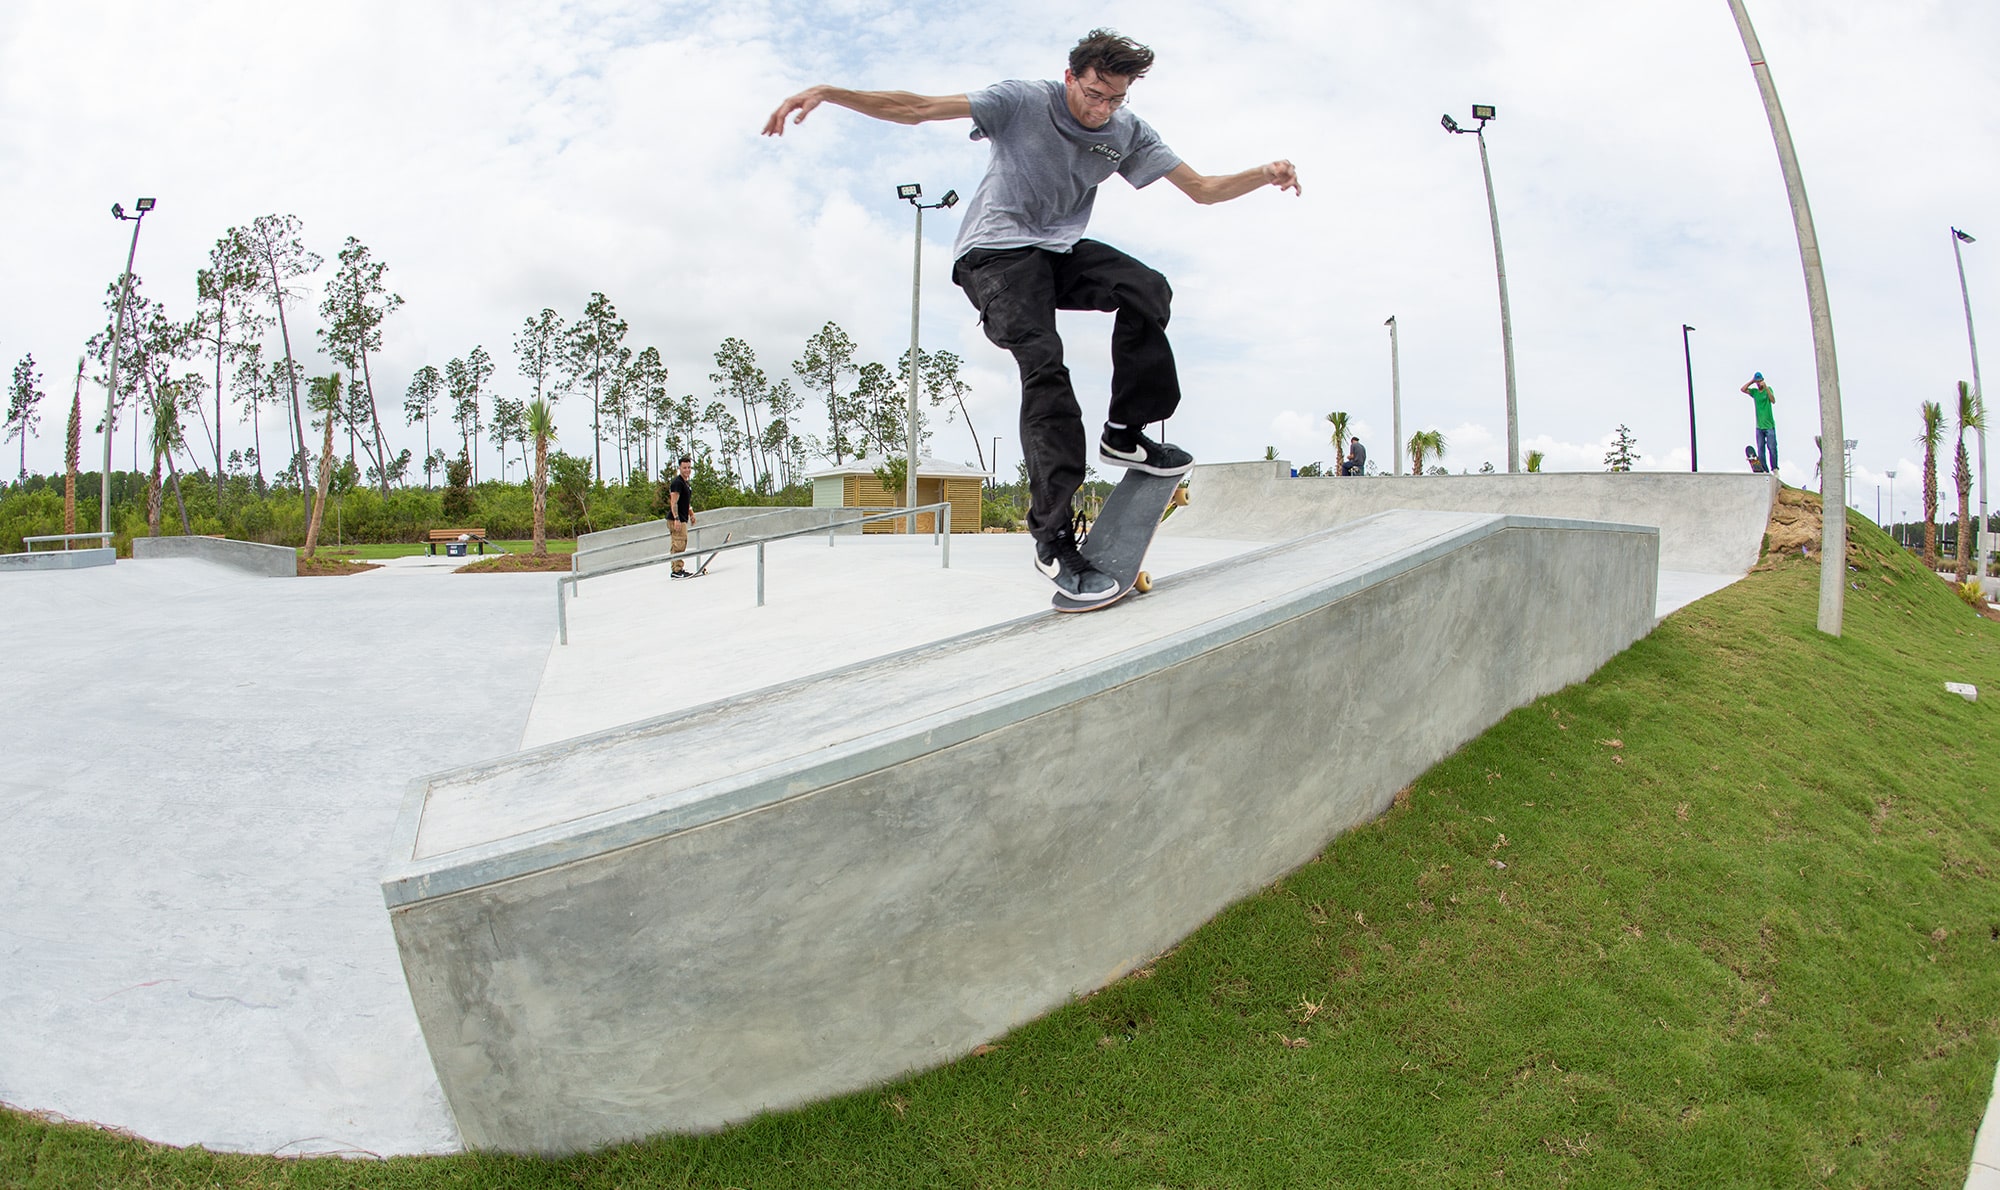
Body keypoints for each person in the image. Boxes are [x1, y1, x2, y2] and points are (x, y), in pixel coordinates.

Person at [763, 29, 1301, 603]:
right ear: (1071, 77)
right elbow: (918, 109)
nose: (1102, 110)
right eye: (1094, 94)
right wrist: (828, 91)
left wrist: (1263, 174)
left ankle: (1124, 433)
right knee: (1045, 363)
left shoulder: (1126, 131)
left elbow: (1202, 188)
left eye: (1115, 99)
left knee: (1146, 287)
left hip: (1057, 255)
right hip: (992, 256)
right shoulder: (1020, 100)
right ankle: (1053, 539)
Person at [1741, 371, 1777, 474]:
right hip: (1759, 426)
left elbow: (1773, 400)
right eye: (1757, 382)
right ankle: (1764, 469)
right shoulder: (1755, 393)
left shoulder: (1768, 389)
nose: (1759, 384)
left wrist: (1765, 387)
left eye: (1760, 381)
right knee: (1761, 450)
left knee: (1772, 447)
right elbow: (1743, 389)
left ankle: (1775, 468)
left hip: (1769, 425)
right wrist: (1752, 381)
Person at [666, 456, 695, 578]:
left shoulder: (685, 483)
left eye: (689, 467)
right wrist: (676, 518)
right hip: (676, 519)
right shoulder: (677, 483)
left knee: (681, 543)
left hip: (683, 517)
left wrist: (691, 513)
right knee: (678, 544)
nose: (687, 470)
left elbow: (685, 502)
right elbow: (674, 502)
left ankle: (677, 568)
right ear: (679, 468)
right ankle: (677, 570)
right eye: (684, 468)